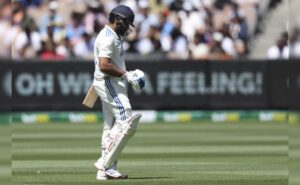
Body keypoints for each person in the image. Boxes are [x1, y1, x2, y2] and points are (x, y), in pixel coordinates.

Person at [91, 5, 145, 180]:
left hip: (111, 83)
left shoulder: (113, 35)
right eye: (126, 23)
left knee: (110, 125)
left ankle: (105, 171)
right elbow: (104, 65)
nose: (128, 27)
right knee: (126, 119)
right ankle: (104, 162)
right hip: (109, 83)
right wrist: (126, 74)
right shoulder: (107, 38)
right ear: (118, 20)